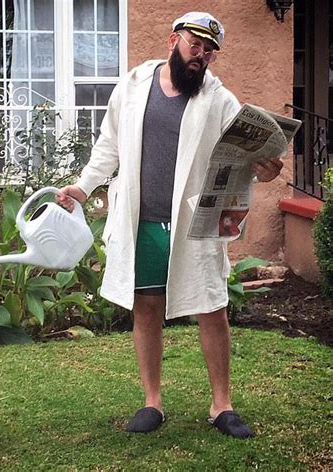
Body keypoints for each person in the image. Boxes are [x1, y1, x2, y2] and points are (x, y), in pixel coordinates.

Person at [57, 11, 283, 439]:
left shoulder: (219, 99)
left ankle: (222, 406)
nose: (201, 56)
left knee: (211, 307)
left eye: (209, 51)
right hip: (140, 218)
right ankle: (152, 402)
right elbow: (109, 145)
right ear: (172, 41)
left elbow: (240, 160)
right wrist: (84, 189)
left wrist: (262, 170)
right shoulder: (134, 85)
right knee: (146, 306)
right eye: (195, 45)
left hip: (194, 221)